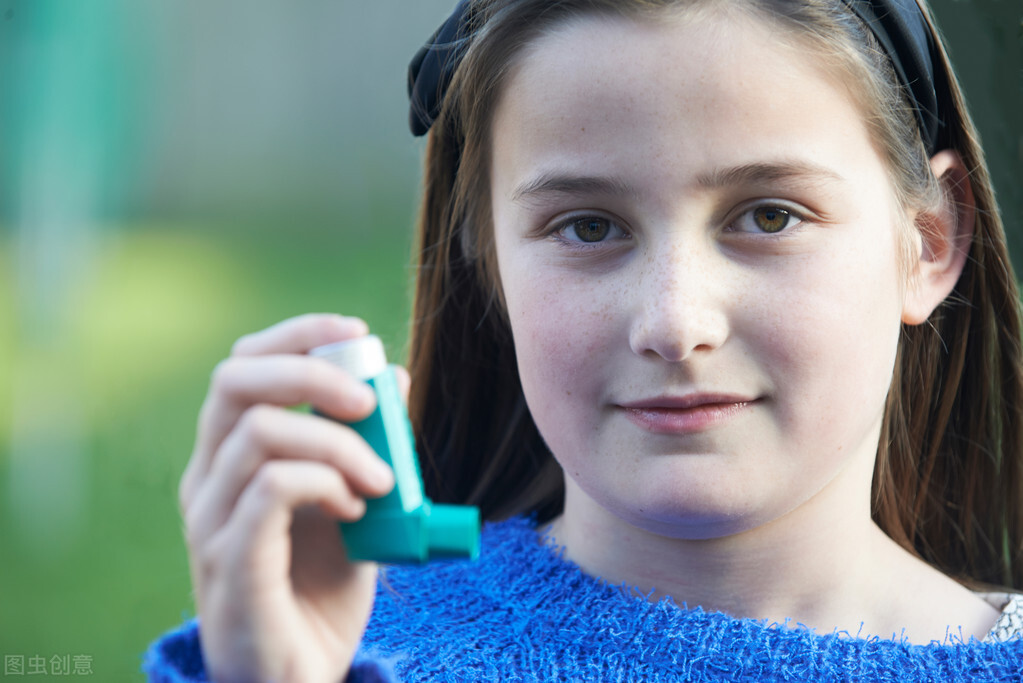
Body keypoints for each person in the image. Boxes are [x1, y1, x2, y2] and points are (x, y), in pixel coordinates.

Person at [144, 0, 1023, 680]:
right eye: (588, 227)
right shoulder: (335, 638)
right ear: (486, 259)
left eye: (768, 214)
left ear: (928, 242)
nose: (675, 323)